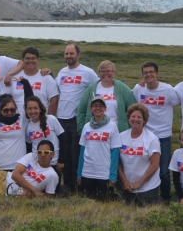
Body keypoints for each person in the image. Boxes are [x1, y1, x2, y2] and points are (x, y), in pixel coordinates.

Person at [132, 61, 179, 201]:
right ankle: (147, 194)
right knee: (146, 168)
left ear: (157, 73)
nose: (148, 74)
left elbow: (177, 102)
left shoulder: (168, 90)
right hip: (145, 135)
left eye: (151, 72)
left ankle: (165, 197)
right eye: (145, 73)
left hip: (163, 136)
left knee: (163, 171)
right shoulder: (138, 89)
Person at [56, 43, 99, 192]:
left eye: (71, 54)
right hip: (61, 118)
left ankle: (78, 184)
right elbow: (55, 90)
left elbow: (99, 88)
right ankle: (67, 184)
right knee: (64, 152)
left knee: (77, 152)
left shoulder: (88, 72)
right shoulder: (61, 72)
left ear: (78, 55)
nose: (68, 56)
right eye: (66, 54)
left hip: (77, 119)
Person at [0, 76, 33, 171]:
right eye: (6, 110)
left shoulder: (22, 119)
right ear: (1, 111)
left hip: (18, 168)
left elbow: (30, 101)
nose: (10, 112)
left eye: (12, 110)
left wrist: (25, 83)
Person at [77, 96, 121, 201]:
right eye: (95, 106)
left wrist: (113, 176)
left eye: (101, 106)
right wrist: (79, 174)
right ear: (91, 108)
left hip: (104, 173)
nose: (98, 108)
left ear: (105, 108)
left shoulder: (112, 127)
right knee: (88, 203)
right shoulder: (86, 127)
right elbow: (82, 151)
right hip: (87, 172)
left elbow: (115, 152)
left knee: (104, 203)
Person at [118, 103, 161, 206]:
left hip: (147, 188)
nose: (135, 119)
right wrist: (125, 181)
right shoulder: (121, 137)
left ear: (144, 120)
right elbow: (118, 162)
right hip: (128, 188)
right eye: (133, 116)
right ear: (129, 118)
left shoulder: (152, 139)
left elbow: (155, 165)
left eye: (139, 117)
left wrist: (140, 183)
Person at [77, 60, 136, 133]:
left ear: (114, 72)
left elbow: (134, 109)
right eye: (103, 71)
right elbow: (81, 111)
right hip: (94, 132)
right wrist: (82, 130)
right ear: (99, 73)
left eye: (108, 71)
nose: (106, 74)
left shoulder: (122, 88)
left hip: (117, 132)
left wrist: (129, 129)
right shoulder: (91, 89)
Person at [4, 47, 59, 116]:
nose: (30, 61)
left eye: (33, 58)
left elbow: (54, 100)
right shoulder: (14, 78)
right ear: (23, 60)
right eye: (27, 58)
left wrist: (49, 119)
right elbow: (6, 99)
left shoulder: (46, 78)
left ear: (38, 60)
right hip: (18, 121)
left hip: (40, 120)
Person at [25, 96, 65, 181]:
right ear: (26, 110)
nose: (33, 111)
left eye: (35, 108)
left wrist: (61, 161)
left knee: (53, 192)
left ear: (40, 109)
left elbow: (63, 140)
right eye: (29, 109)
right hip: (37, 165)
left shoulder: (51, 119)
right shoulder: (28, 126)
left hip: (53, 163)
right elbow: (29, 147)